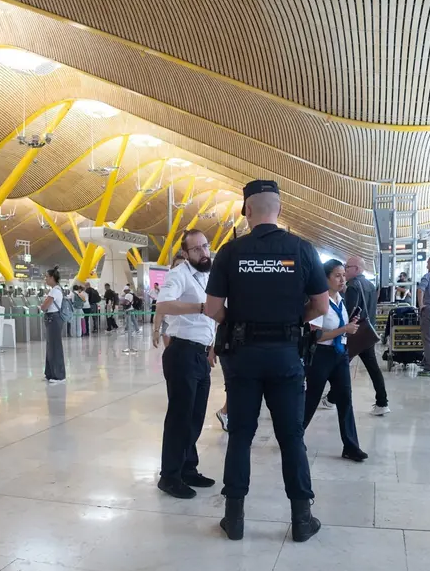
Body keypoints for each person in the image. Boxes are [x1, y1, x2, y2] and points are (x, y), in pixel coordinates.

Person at [204, 180, 327, 542]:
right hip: (287, 356)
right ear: (279, 210)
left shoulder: (230, 252)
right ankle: (302, 520)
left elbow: (213, 309)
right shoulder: (302, 250)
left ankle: (235, 519)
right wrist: (289, 322)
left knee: (240, 435)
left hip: (243, 357)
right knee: (291, 437)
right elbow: (320, 305)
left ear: (246, 211)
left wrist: (243, 323)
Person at [153, 229, 216, 499]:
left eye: (205, 246)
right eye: (197, 249)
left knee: (196, 416)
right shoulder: (179, 275)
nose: (203, 252)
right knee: (180, 417)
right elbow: (163, 304)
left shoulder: (209, 276)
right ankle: (169, 476)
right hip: (182, 354)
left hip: (201, 354)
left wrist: (212, 347)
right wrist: (201, 308)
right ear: (185, 253)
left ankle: (188, 468)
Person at [305, 260, 367, 462]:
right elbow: (316, 336)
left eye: (343, 275)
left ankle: (351, 445)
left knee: (345, 399)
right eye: (337, 276)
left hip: (339, 355)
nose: (342, 279)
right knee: (311, 399)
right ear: (326, 279)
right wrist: (344, 329)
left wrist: (349, 328)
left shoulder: (341, 300)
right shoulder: (318, 303)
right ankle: (293, 437)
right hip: (321, 355)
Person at [344, 256, 389, 416]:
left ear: (356, 269)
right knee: (373, 369)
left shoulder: (353, 286)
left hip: (353, 333)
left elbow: (350, 311)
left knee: (338, 366)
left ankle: (332, 399)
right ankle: (382, 402)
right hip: (367, 333)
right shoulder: (369, 285)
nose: (344, 270)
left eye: (347, 267)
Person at [41, 267, 66, 383]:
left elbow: (44, 306)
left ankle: (59, 376)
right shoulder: (56, 289)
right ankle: (50, 373)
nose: (45, 279)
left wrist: (42, 305)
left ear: (52, 278)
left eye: (47, 277)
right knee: (51, 347)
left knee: (55, 347)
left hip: (54, 319)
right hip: (52, 319)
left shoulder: (55, 291)